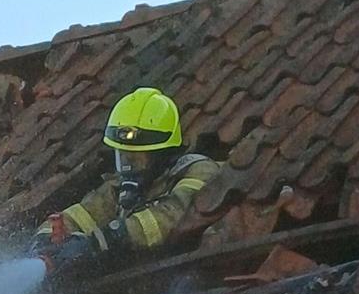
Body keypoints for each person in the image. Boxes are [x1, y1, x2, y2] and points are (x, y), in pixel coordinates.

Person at [29, 87, 219, 274]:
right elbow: (80, 215)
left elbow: (172, 216)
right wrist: (45, 240)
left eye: (138, 158)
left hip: (184, 275)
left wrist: (103, 241)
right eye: (124, 158)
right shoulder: (118, 188)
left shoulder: (199, 171)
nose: (130, 167)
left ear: (163, 153)